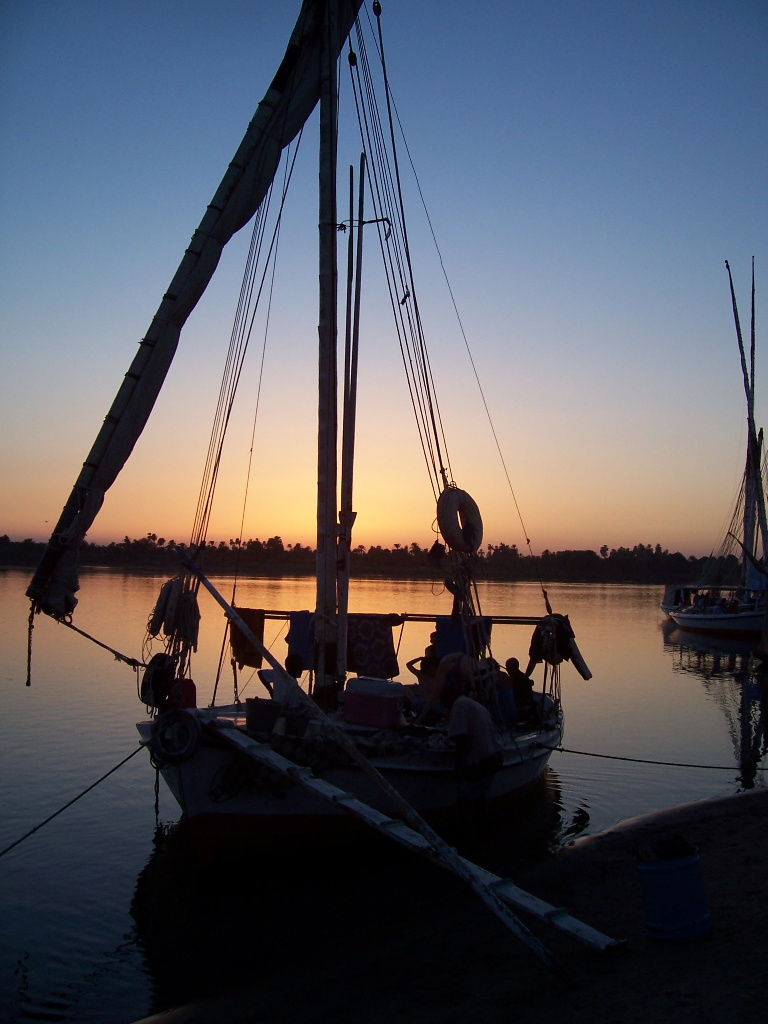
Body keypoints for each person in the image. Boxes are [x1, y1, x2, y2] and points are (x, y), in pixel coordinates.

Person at [442, 686, 503, 846]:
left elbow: (461, 739)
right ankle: (482, 836)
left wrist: (457, 768)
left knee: (465, 799)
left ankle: (466, 839)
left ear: (448, 698)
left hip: (480, 762)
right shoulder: (475, 705)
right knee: (482, 799)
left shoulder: (459, 706)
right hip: (494, 758)